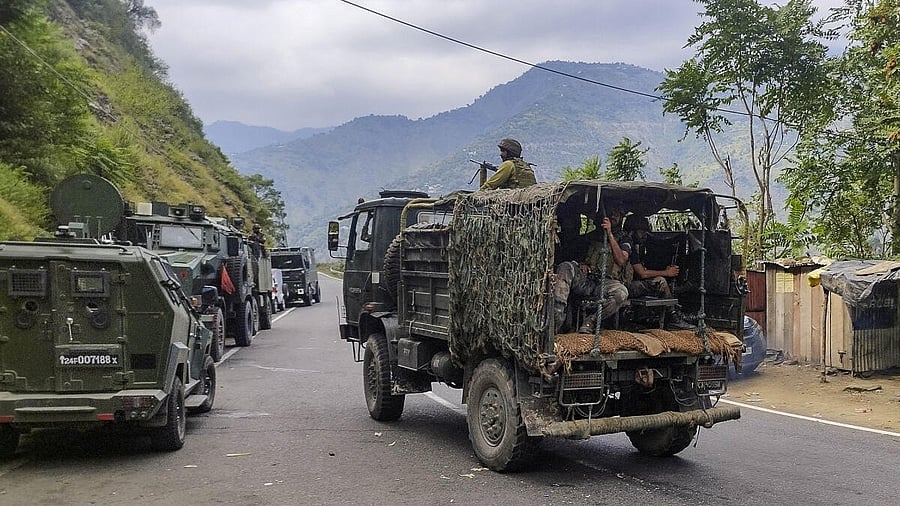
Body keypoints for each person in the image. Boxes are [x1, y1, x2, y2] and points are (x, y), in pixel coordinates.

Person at [552, 209, 630, 333]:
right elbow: (574, 257)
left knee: (621, 293)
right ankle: (556, 321)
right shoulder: (590, 237)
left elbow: (621, 260)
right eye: (611, 213)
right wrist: (580, 264)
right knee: (565, 267)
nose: (613, 216)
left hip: (606, 283)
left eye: (617, 214)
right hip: (587, 280)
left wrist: (609, 234)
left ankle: (591, 321)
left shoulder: (625, 239)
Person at [624, 215, 691, 329]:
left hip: (627, 284)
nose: (644, 235)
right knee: (661, 282)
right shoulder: (628, 245)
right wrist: (666, 273)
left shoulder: (635, 246)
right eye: (641, 232)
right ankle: (672, 317)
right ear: (632, 231)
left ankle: (664, 315)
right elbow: (642, 273)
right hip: (625, 286)